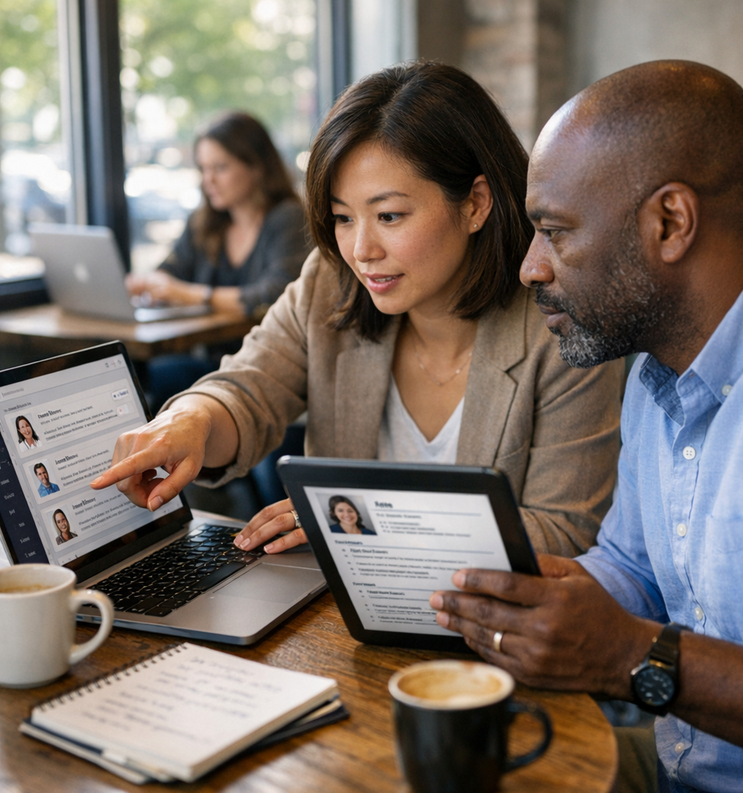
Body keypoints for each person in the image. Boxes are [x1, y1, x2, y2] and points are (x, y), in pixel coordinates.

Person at [429, 60, 743, 793]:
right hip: (673, 776)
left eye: (553, 232)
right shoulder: (657, 364)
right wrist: (532, 596)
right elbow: (633, 569)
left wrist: (629, 657)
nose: (530, 268)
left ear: (669, 222)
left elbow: (632, 646)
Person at [92, 61, 623, 561]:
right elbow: (248, 387)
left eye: (389, 215)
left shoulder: (563, 327)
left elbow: (564, 534)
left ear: (476, 204)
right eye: (343, 218)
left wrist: (365, 523)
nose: (361, 250)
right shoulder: (330, 285)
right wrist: (191, 420)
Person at [125, 111, 311, 408]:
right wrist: (143, 284)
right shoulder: (205, 223)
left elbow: (274, 294)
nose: (208, 180)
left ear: (257, 167)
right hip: (216, 364)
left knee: (155, 380)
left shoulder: (287, 218)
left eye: (220, 168)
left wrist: (188, 294)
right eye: (203, 168)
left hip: (268, 369)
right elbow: (170, 273)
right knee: (136, 379)